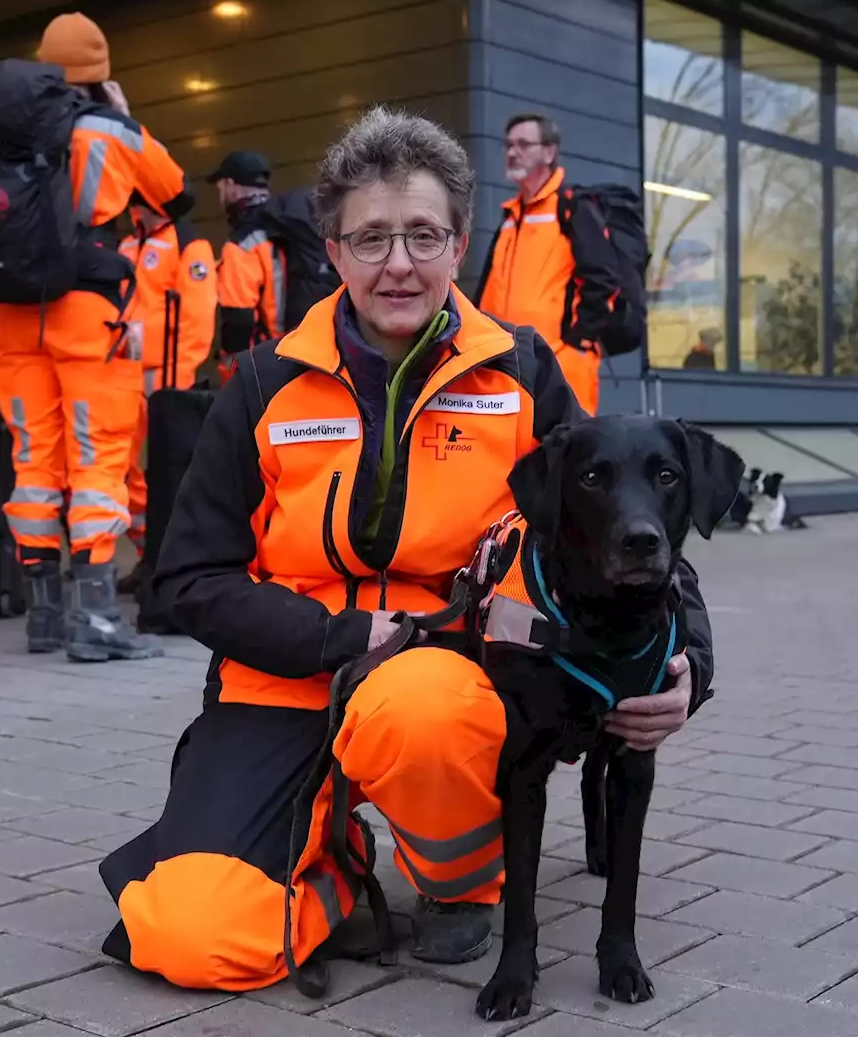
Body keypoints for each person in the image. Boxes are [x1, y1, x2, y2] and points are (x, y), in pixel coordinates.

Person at [98, 106, 715, 991]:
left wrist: (690, 657)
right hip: (281, 673)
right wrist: (334, 639)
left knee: (423, 709)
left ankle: (464, 886)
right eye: (371, 238)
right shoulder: (264, 383)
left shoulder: (522, 373)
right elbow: (190, 579)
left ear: (460, 242)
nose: (398, 264)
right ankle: (331, 875)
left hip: (442, 675)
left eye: (423, 235)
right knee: (196, 940)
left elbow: (625, 524)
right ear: (333, 248)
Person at [0, 12, 195, 660]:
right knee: (98, 458)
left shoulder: (3, 130)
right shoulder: (111, 128)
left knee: (33, 462)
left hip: (17, 313)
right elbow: (176, 196)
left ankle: (43, 616)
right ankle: (98, 619)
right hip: (88, 313)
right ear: (102, 74)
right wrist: (127, 115)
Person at [475, 113, 614, 415]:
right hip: (506, 366)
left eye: (524, 144)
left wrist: (577, 342)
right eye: (508, 145)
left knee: (567, 457)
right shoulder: (510, 217)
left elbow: (603, 280)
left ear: (549, 152)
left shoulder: (574, 208)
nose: (512, 152)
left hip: (561, 366)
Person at [116, 201, 217, 583]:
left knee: (164, 476)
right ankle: (149, 553)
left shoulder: (188, 243)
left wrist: (179, 376)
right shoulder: (128, 243)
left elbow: (198, 317)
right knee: (123, 472)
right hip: (123, 375)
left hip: (165, 379)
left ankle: (162, 562)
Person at [211, 151, 281, 379]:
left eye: (220, 188)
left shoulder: (241, 243)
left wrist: (230, 379)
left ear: (231, 184)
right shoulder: (288, 227)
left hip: (267, 365)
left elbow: (238, 321)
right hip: (309, 355)